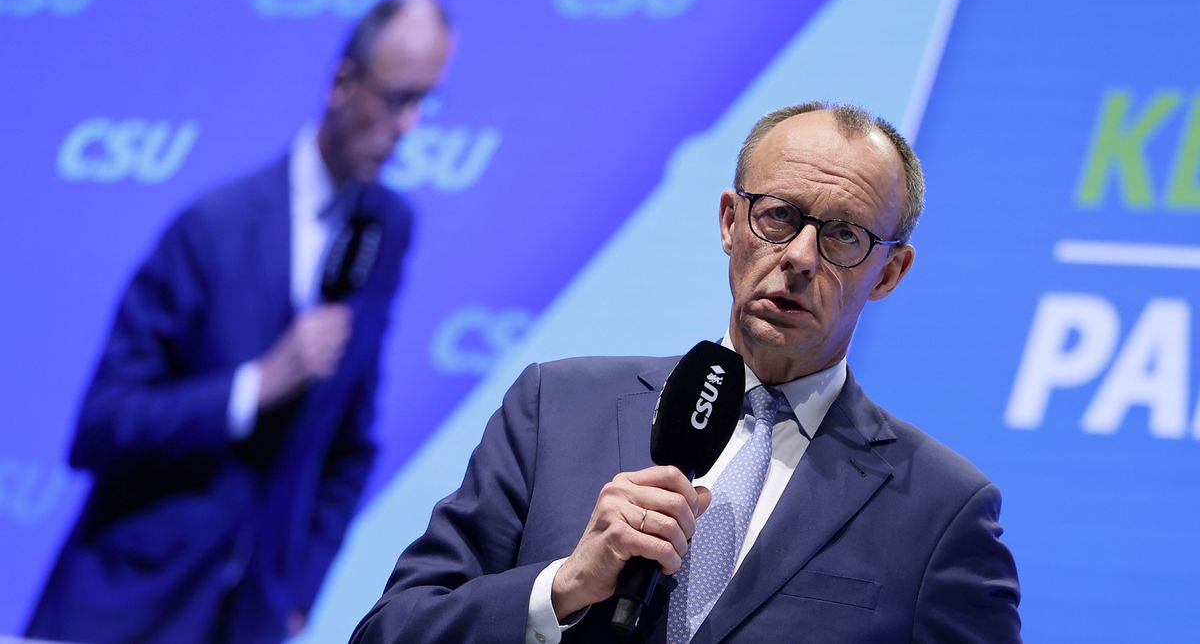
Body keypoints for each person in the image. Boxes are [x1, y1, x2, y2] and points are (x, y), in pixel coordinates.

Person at [350, 102, 1021, 643]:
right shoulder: (556, 408)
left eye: (844, 234)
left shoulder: (941, 511)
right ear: (731, 222)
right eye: (779, 216)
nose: (800, 257)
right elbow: (390, 631)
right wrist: (561, 588)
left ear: (890, 272)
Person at [26, 0, 453, 644]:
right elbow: (102, 424)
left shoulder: (387, 228)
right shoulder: (212, 229)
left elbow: (350, 439)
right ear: (342, 84)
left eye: (425, 103)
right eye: (397, 100)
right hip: (129, 606)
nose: (409, 126)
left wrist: (299, 590)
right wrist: (256, 385)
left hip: (250, 618)